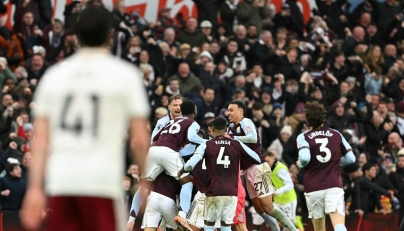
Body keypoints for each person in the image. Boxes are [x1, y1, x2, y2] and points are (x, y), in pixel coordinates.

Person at [20, 6, 151, 231]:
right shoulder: (125, 76)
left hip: (62, 182)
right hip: (101, 183)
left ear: (76, 34)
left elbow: (39, 139)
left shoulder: (54, 76)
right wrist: (146, 183)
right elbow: (139, 139)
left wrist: (34, 188)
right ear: (110, 35)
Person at [127, 100, 206, 229]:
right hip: (169, 151)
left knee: (144, 185)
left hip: (154, 150)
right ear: (195, 112)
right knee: (186, 182)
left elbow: (155, 137)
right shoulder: (192, 123)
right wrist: (207, 141)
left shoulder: (170, 121)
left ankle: (131, 219)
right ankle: (182, 215)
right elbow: (192, 137)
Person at [179, 117, 261, 231]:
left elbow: (190, 165)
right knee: (225, 227)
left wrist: (182, 170)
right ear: (226, 130)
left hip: (213, 191)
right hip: (232, 193)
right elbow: (256, 157)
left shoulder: (207, 144)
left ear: (211, 129)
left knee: (209, 226)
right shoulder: (236, 143)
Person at [226, 100, 296, 231]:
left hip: (258, 167)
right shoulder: (230, 128)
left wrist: (233, 139)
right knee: (259, 208)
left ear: (240, 111)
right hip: (247, 170)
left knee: (268, 207)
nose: (228, 112)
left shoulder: (246, 122)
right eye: (228, 110)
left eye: (231, 110)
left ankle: (293, 229)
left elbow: (252, 138)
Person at [296, 101, 356, 231]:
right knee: (339, 224)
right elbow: (351, 158)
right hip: (333, 185)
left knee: (319, 229)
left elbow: (305, 158)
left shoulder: (303, 137)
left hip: (313, 187)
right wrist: (333, 162)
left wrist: (300, 163)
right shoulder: (336, 134)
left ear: (307, 120)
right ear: (324, 118)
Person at [264, 150, 298, 228]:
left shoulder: (280, 168)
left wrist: (277, 192)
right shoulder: (267, 169)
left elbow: (290, 184)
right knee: (271, 224)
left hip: (288, 200)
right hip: (278, 201)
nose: (266, 164)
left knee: (289, 225)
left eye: (268, 161)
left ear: (273, 158)